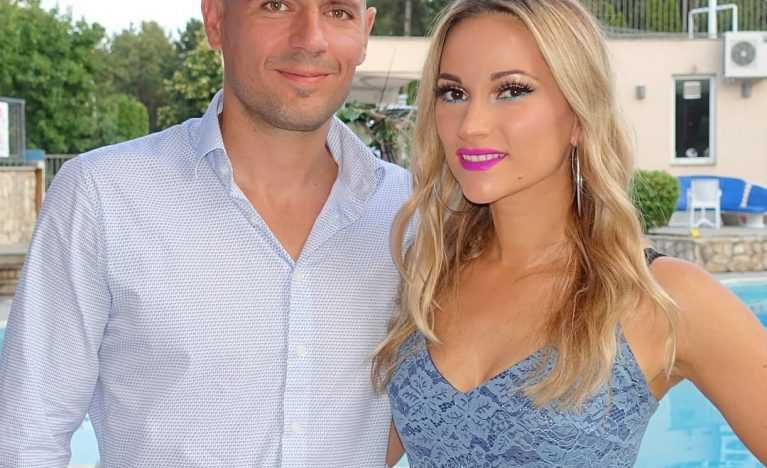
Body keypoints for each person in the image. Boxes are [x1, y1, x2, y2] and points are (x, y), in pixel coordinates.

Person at [0, 0, 411, 466]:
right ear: (215, 21)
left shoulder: (411, 215)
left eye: (338, 12)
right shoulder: (102, 196)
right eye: (276, 5)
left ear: (365, 32)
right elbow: (27, 436)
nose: (311, 39)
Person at [373, 0, 767, 466]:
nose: (471, 125)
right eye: (453, 93)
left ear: (579, 115)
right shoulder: (425, 274)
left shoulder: (662, 298)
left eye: (511, 90)